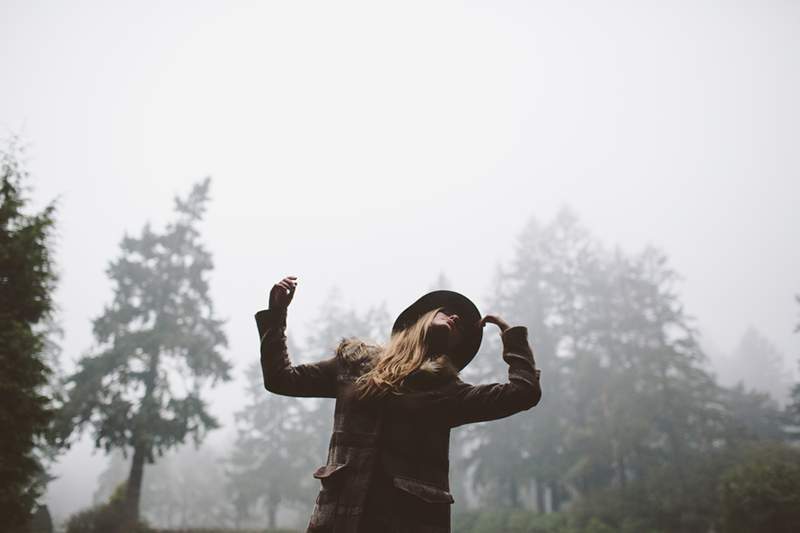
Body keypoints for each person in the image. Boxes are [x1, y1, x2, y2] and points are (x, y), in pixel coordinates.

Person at [255, 275, 542, 533]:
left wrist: (511, 336)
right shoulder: (354, 364)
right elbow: (280, 379)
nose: (456, 319)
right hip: (340, 523)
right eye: (447, 311)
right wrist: (277, 314)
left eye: (463, 330)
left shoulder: (449, 394)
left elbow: (523, 393)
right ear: (420, 319)